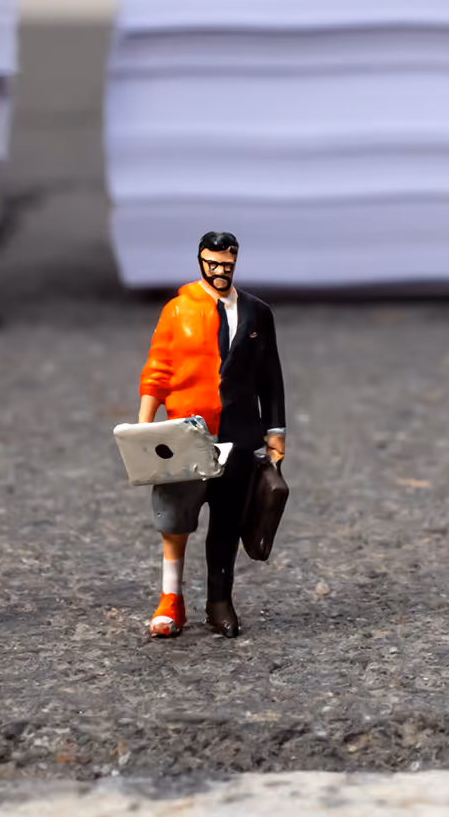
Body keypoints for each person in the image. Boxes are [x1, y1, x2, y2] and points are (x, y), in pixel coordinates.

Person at [136, 231, 286, 639]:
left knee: (227, 522)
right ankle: (171, 598)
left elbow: (270, 376)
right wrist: (144, 428)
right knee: (175, 518)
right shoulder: (178, 310)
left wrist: (275, 432)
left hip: (239, 434)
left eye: (227, 264)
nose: (220, 271)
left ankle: (219, 601)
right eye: (212, 263)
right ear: (200, 261)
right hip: (186, 431)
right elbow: (157, 370)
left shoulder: (257, 313)